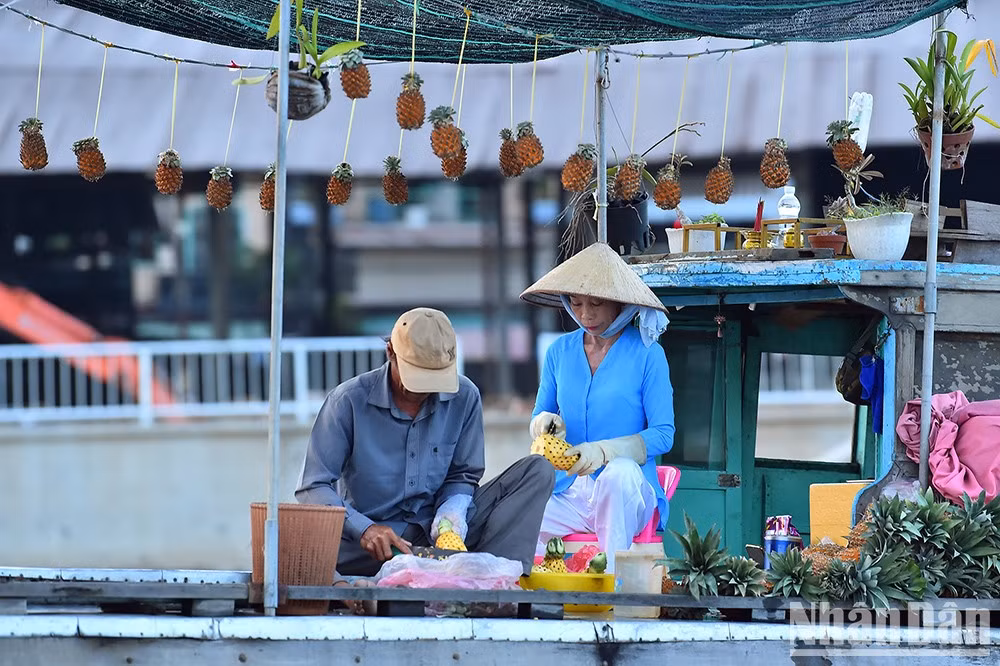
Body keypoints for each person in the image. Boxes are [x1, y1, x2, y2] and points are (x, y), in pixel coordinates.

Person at [295, 307, 555, 577]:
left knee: (537, 471)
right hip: (371, 550)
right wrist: (364, 529)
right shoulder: (347, 402)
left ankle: (491, 583)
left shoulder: (465, 396)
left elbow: (462, 475)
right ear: (390, 353)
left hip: (439, 542)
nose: (424, 390)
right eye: (416, 377)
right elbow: (313, 486)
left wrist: (452, 511)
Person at [520, 242, 675, 571]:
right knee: (518, 512)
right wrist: (545, 424)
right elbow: (538, 414)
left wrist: (605, 452)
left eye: (595, 304)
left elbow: (664, 434)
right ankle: (531, 597)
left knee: (616, 475)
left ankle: (610, 585)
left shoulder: (648, 354)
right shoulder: (559, 352)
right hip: (571, 489)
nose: (585, 314)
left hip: (628, 491)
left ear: (619, 304)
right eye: (576, 303)